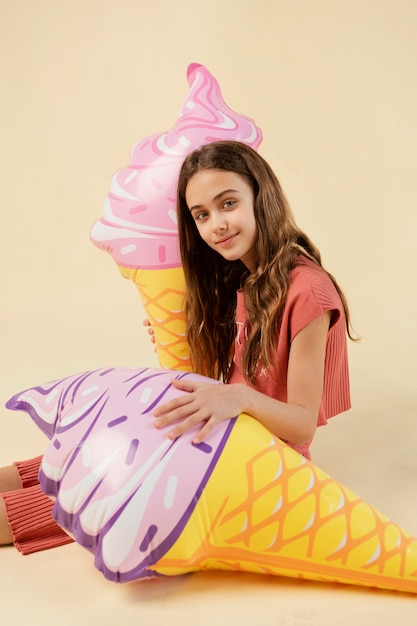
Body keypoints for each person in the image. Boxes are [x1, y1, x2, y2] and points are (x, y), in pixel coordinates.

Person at [0, 140, 354, 553]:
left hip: (266, 463)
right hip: (222, 434)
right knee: (98, 446)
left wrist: (236, 397)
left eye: (228, 203)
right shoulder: (243, 279)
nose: (216, 224)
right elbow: (232, 374)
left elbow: (301, 423)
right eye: (201, 215)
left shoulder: (308, 291)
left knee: (105, 485)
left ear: (262, 195)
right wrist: (187, 337)